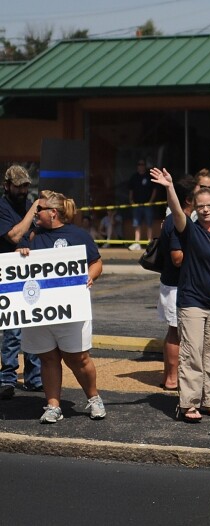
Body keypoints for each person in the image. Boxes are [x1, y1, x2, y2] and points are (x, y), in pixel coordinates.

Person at [19, 190, 104, 423]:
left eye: (39, 209)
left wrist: (90, 276)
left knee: (78, 358)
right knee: (48, 358)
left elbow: (96, 262)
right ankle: (53, 406)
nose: (35, 213)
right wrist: (21, 253)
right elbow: (17, 262)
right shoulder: (32, 235)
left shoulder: (78, 235)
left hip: (71, 309)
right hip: (40, 311)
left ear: (53, 213)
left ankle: (94, 398)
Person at [150, 167, 210, 423]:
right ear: (193, 207)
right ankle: (189, 404)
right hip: (192, 301)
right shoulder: (190, 229)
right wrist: (169, 187)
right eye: (200, 206)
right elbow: (177, 213)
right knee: (192, 353)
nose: (205, 210)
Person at [0, 165, 41, 399]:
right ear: (7, 185)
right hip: (8, 275)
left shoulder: (28, 205)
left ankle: (34, 377)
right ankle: (7, 377)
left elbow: (32, 235)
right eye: (19, 186)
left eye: (26, 186)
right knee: (13, 329)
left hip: (30, 273)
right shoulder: (2, 207)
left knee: (34, 325)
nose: (24, 190)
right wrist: (32, 212)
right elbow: (14, 236)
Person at [155, 176, 196, 392]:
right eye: (198, 193)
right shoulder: (176, 221)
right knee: (175, 331)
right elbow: (177, 258)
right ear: (188, 199)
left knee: (175, 331)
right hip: (175, 285)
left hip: (173, 284)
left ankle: (170, 376)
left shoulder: (178, 218)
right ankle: (172, 379)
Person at [128, 159, 157, 251]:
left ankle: (149, 242)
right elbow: (131, 190)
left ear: (145, 166)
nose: (141, 166)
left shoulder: (149, 176)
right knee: (137, 224)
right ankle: (137, 242)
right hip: (137, 204)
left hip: (147, 204)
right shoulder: (134, 177)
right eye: (139, 164)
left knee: (149, 223)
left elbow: (154, 189)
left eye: (142, 164)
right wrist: (131, 200)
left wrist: (151, 201)